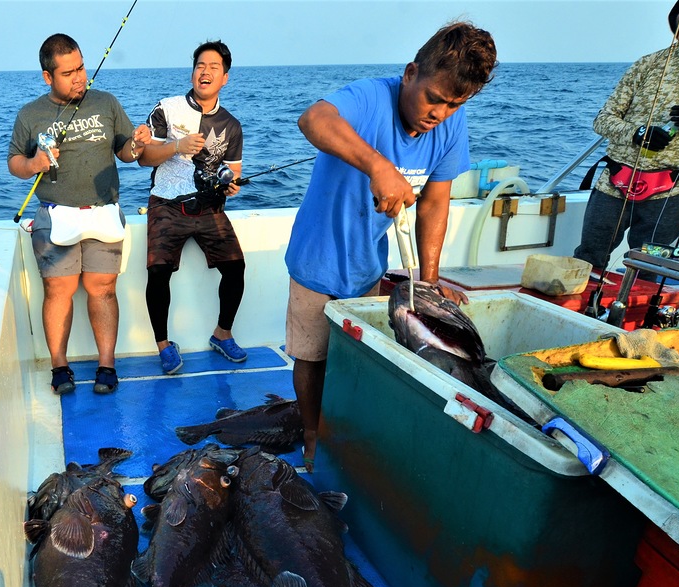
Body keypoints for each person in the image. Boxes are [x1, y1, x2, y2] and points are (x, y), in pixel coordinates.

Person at [283, 21, 498, 468]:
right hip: (317, 258)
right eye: (434, 98)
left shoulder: (450, 127)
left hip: (368, 265)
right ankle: (310, 431)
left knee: (355, 355)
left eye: (455, 104)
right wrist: (378, 165)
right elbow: (313, 119)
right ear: (410, 72)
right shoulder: (368, 97)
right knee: (311, 354)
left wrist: (431, 282)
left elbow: (436, 202)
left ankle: (345, 423)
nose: (439, 113)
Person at [8, 33, 151, 396]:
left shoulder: (106, 102)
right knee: (59, 291)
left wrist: (137, 144)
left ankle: (107, 366)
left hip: (103, 212)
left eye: (82, 67)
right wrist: (34, 163)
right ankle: (60, 366)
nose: (79, 78)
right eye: (69, 72)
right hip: (56, 216)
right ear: (47, 76)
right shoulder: (30, 114)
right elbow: (14, 163)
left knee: (103, 290)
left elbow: (125, 151)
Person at [573, 0, 679, 282]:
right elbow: (603, 119)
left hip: (673, 190)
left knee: (648, 270)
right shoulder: (647, 63)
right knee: (587, 259)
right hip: (614, 181)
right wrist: (638, 133)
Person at [138, 40, 247, 374]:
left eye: (214, 67)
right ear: (192, 72)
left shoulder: (231, 125)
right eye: (201, 65)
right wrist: (176, 146)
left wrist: (230, 187)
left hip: (209, 207)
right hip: (167, 203)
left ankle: (222, 334)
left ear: (225, 78)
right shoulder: (168, 109)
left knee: (236, 267)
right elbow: (143, 159)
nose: (206, 72)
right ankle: (164, 345)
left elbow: (235, 172)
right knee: (158, 272)